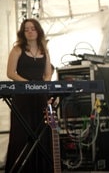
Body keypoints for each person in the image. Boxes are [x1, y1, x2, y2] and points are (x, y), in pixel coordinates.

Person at [6, 18, 53, 173]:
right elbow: (11, 73)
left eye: (33, 28)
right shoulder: (18, 49)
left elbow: (47, 74)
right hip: (22, 97)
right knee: (22, 134)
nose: (30, 31)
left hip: (40, 97)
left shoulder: (44, 50)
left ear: (38, 31)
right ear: (22, 32)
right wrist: (27, 84)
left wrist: (43, 86)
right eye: (26, 29)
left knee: (41, 132)